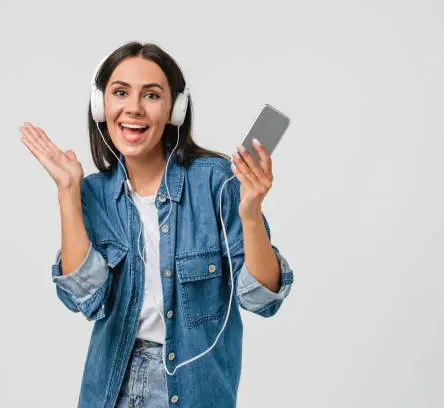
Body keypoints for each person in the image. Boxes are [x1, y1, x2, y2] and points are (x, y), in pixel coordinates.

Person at [19, 41, 295, 408]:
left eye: (151, 95)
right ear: (102, 106)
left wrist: (249, 213)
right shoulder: (93, 194)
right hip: (109, 389)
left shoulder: (217, 183)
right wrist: (68, 192)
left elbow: (261, 299)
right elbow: (86, 300)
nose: (133, 108)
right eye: (120, 93)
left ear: (174, 111)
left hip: (192, 389)